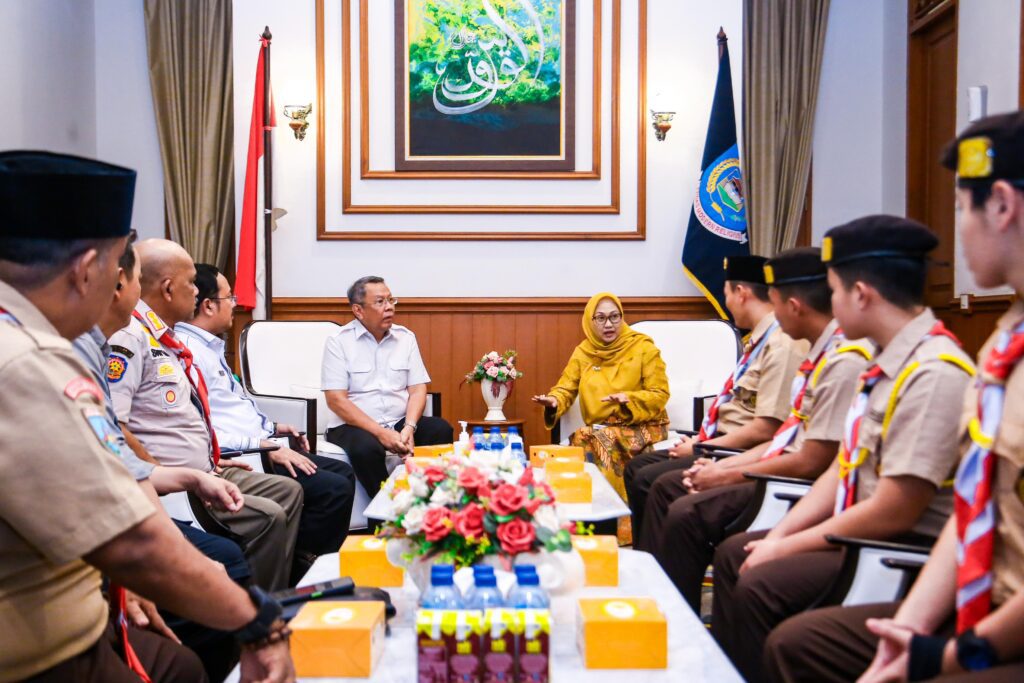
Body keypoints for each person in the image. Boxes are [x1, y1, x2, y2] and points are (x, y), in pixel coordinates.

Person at [0, 150, 294, 683]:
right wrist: (259, 623)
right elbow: (130, 541)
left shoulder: (30, 340)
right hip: (42, 654)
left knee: (177, 662)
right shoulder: (28, 362)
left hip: (78, 602)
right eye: (119, 268)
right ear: (89, 270)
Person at [764, 112, 1024, 683]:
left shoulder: (939, 368)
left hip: (992, 621)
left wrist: (947, 657)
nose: (957, 229)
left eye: (961, 208)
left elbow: (903, 507)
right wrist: (909, 630)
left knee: (788, 626)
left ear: (1001, 205)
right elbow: (974, 508)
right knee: (796, 639)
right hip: (968, 592)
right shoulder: (1006, 340)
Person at [710, 216, 975, 683]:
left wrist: (787, 544)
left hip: (896, 549)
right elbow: (844, 468)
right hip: (863, 534)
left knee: (770, 603)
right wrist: (779, 538)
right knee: (749, 558)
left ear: (861, 294)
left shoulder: (933, 373)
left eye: (832, 291)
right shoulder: (886, 364)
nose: (826, 305)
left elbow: (894, 510)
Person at [648, 247, 872, 612]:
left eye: (776, 301)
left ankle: (676, 624)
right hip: (785, 472)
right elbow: (788, 439)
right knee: (671, 496)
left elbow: (805, 455)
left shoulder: (842, 360)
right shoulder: (823, 354)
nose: (772, 311)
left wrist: (724, 469)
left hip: (799, 488)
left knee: (684, 512)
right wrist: (719, 466)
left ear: (794, 305)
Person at [108, 238, 302, 591]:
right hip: (174, 484)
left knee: (288, 491)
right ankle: (253, 615)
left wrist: (214, 459)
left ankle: (272, 597)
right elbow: (116, 426)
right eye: (191, 283)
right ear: (168, 288)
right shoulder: (131, 339)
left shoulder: (165, 340)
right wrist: (171, 474)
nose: (198, 293)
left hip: (206, 468)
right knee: (268, 517)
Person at [627, 255, 809, 549]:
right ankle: (649, 558)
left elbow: (769, 429)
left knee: (652, 481)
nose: (725, 301)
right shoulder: (758, 339)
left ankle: (659, 567)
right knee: (638, 468)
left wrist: (701, 447)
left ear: (741, 293)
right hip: (723, 441)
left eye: (725, 293)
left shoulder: (783, 344)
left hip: (742, 451)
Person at [177, 263, 357, 556]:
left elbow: (229, 409)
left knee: (340, 474)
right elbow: (202, 426)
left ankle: (302, 559)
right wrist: (264, 446)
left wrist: (273, 429)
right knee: (332, 488)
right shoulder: (189, 353)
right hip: (243, 455)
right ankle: (300, 566)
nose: (235, 304)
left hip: (259, 445)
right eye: (230, 298)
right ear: (208, 306)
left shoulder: (207, 346)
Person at [531, 292, 670, 541]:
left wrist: (630, 399)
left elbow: (660, 394)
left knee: (601, 438)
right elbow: (565, 387)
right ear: (590, 321)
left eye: (615, 317)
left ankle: (620, 527)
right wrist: (554, 401)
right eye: (601, 318)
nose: (609, 324)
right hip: (602, 426)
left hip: (645, 423)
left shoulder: (643, 347)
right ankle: (583, 523)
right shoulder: (584, 352)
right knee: (581, 438)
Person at [323, 276, 453, 497]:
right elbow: (336, 400)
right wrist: (381, 433)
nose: (390, 307)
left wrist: (409, 427)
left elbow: (418, 389)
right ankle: (385, 513)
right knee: (367, 448)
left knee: (439, 429)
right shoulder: (339, 341)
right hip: (354, 426)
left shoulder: (405, 338)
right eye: (380, 302)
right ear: (358, 310)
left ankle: (426, 504)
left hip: (399, 422)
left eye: (391, 300)